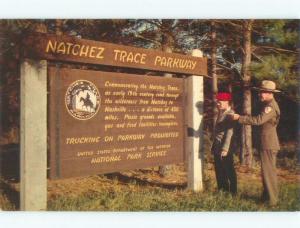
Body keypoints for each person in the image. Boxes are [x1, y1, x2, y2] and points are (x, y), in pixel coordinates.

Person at [230, 80, 280, 206]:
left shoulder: (270, 106)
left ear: (270, 93)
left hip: (268, 143)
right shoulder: (267, 105)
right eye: (260, 92)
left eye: (263, 92)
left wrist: (239, 118)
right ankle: (266, 197)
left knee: (268, 173)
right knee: (266, 172)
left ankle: (272, 201)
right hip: (266, 143)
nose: (260, 94)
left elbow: (258, 120)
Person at [211, 92, 237, 195]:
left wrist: (225, 149)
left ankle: (233, 192)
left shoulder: (230, 114)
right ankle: (222, 191)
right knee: (219, 169)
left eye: (220, 101)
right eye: (217, 101)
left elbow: (229, 133)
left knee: (228, 169)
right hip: (218, 145)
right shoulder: (222, 113)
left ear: (227, 102)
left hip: (225, 147)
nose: (218, 103)